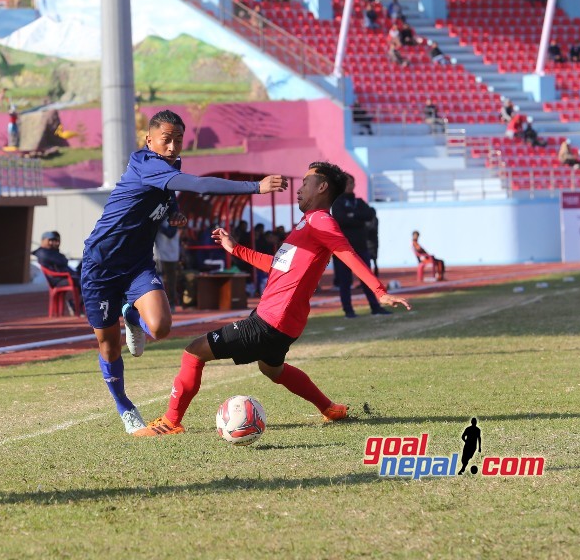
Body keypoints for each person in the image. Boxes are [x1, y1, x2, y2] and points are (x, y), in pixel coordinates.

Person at [133, 162, 410, 437]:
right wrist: (235, 248)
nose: (299, 189)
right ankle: (330, 409)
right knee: (272, 369)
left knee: (194, 352)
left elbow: (346, 252)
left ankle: (170, 422)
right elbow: (278, 265)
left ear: (322, 187)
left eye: (305, 183)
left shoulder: (321, 221)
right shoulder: (308, 223)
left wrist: (379, 291)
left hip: (271, 321)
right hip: (283, 323)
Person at [81, 109, 289, 434]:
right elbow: (198, 183)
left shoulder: (169, 165)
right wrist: (255, 187)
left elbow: (169, 193)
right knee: (108, 345)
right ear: (149, 140)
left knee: (162, 328)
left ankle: (131, 315)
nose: (173, 146)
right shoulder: (147, 164)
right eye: (166, 139)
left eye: (178, 140)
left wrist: (174, 212)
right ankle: (124, 406)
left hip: (137, 264)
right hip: (101, 265)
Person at [331, 175, 391, 318]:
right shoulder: (337, 202)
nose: (350, 185)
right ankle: (348, 311)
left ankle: (375, 307)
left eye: (352, 182)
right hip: (343, 249)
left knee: (367, 279)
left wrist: (353, 216)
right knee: (345, 282)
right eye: (347, 183)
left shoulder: (359, 202)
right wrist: (358, 219)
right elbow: (341, 219)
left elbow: (370, 213)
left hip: (361, 246)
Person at [33, 230, 82, 315]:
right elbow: (63, 261)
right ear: (43, 240)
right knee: (87, 282)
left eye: (54, 241)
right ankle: (75, 304)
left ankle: (76, 303)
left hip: (67, 276)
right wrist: (57, 252)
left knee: (86, 271)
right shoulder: (43, 253)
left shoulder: (51, 251)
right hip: (59, 279)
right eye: (50, 240)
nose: (52, 243)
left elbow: (62, 260)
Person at [154, 219, 181, 311]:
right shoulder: (157, 221)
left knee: (171, 281)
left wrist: (157, 225)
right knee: (158, 279)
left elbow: (170, 233)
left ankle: (172, 304)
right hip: (158, 255)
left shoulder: (172, 219)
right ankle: (159, 304)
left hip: (171, 255)